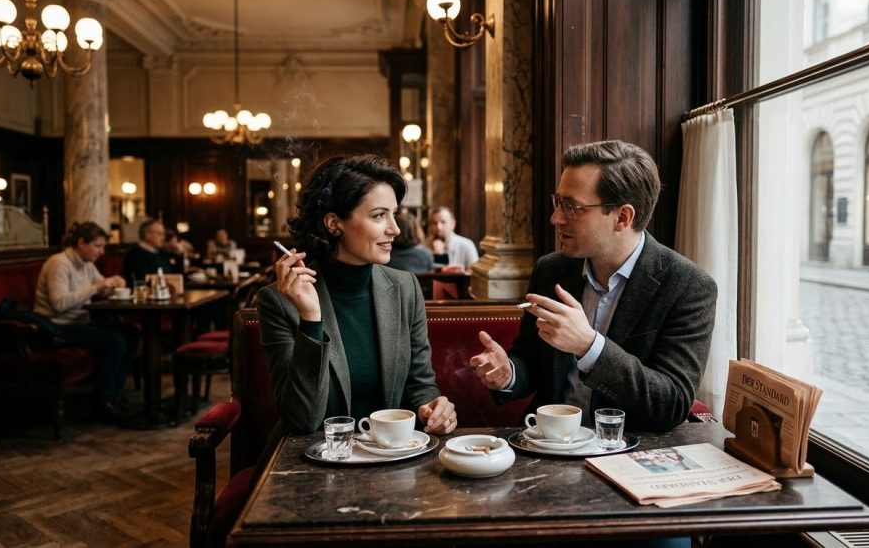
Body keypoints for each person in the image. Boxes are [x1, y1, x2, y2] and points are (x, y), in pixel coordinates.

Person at [469, 140, 718, 432]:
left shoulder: (689, 286)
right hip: (548, 445)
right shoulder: (552, 270)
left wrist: (589, 346)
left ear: (623, 217)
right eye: (558, 202)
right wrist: (507, 373)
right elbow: (532, 364)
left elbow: (671, 404)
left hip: (628, 454)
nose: (556, 218)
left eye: (572, 207)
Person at [257, 154, 457, 436]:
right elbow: (302, 420)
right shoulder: (279, 302)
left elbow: (420, 383)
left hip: (392, 457)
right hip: (320, 465)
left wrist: (431, 406)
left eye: (394, 214)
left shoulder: (405, 288)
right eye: (379, 215)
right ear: (333, 223)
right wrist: (311, 319)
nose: (395, 228)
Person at [34, 222, 140, 421]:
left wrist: (115, 285)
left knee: (131, 332)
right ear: (82, 242)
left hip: (79, 322)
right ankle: (103, 403)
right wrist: (99, 285)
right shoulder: (59, 263)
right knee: (115, 340)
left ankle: (114, 395)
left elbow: (101, 288)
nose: (102, 251)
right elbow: (59, 303)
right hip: (56, 327)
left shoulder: (87, 264)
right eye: (98, 246)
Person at [123, 219, 178, 285]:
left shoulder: (161, 252)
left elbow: (175, 274)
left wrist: (178, 253)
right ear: (147, 234)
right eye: (159, 234)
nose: (163, 238)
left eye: (164, 234)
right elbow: (142, 280)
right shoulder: (135, 254)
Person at [428, 206, 479, 272]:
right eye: (435, 223)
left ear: (453, 224)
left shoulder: (466, 245)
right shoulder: (424, 246)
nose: (438, 227)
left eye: (443, 222)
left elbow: (475, 274)